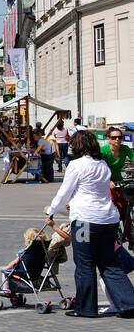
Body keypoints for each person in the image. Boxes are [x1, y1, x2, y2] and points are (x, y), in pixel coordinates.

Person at [45, 129, 134, 318]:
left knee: (84, 263)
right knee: (108, 262)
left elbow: (64, 193)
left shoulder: (76, 165)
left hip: (85, 220)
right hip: (108, 219)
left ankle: (85, 308)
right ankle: (129, 303)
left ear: (76, 146)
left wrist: (51, 210)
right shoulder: (102, 164)